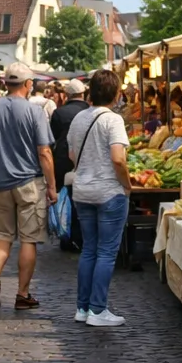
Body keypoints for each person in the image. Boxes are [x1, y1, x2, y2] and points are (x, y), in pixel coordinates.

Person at [0, 62, 57, 311]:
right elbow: (44, 152)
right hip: (29, 183)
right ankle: (22, 293)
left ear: (4, 83)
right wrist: (52, 186)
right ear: (28, 84)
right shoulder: (35, 112)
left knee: (1, 235)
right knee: (28, 239)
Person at [67, 70, 132, 327]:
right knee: (106, 252)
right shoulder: (113, 120)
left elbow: (72, 155)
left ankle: (82, 308)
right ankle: (97, 309)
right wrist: (127, 184)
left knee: (89, 250)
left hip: (82, 191)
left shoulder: (78, 119)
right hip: (108, 191)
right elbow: (118, 158)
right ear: (116, 94)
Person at [50, 78, 92, 250]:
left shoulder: (59, 113)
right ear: (83, 94)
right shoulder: (90, 111)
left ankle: (67, 236)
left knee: (65, 198)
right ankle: (84, 236)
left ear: (66, 95)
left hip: (62, 160)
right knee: (85, 199)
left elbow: (52, 138)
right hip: (86, 159)